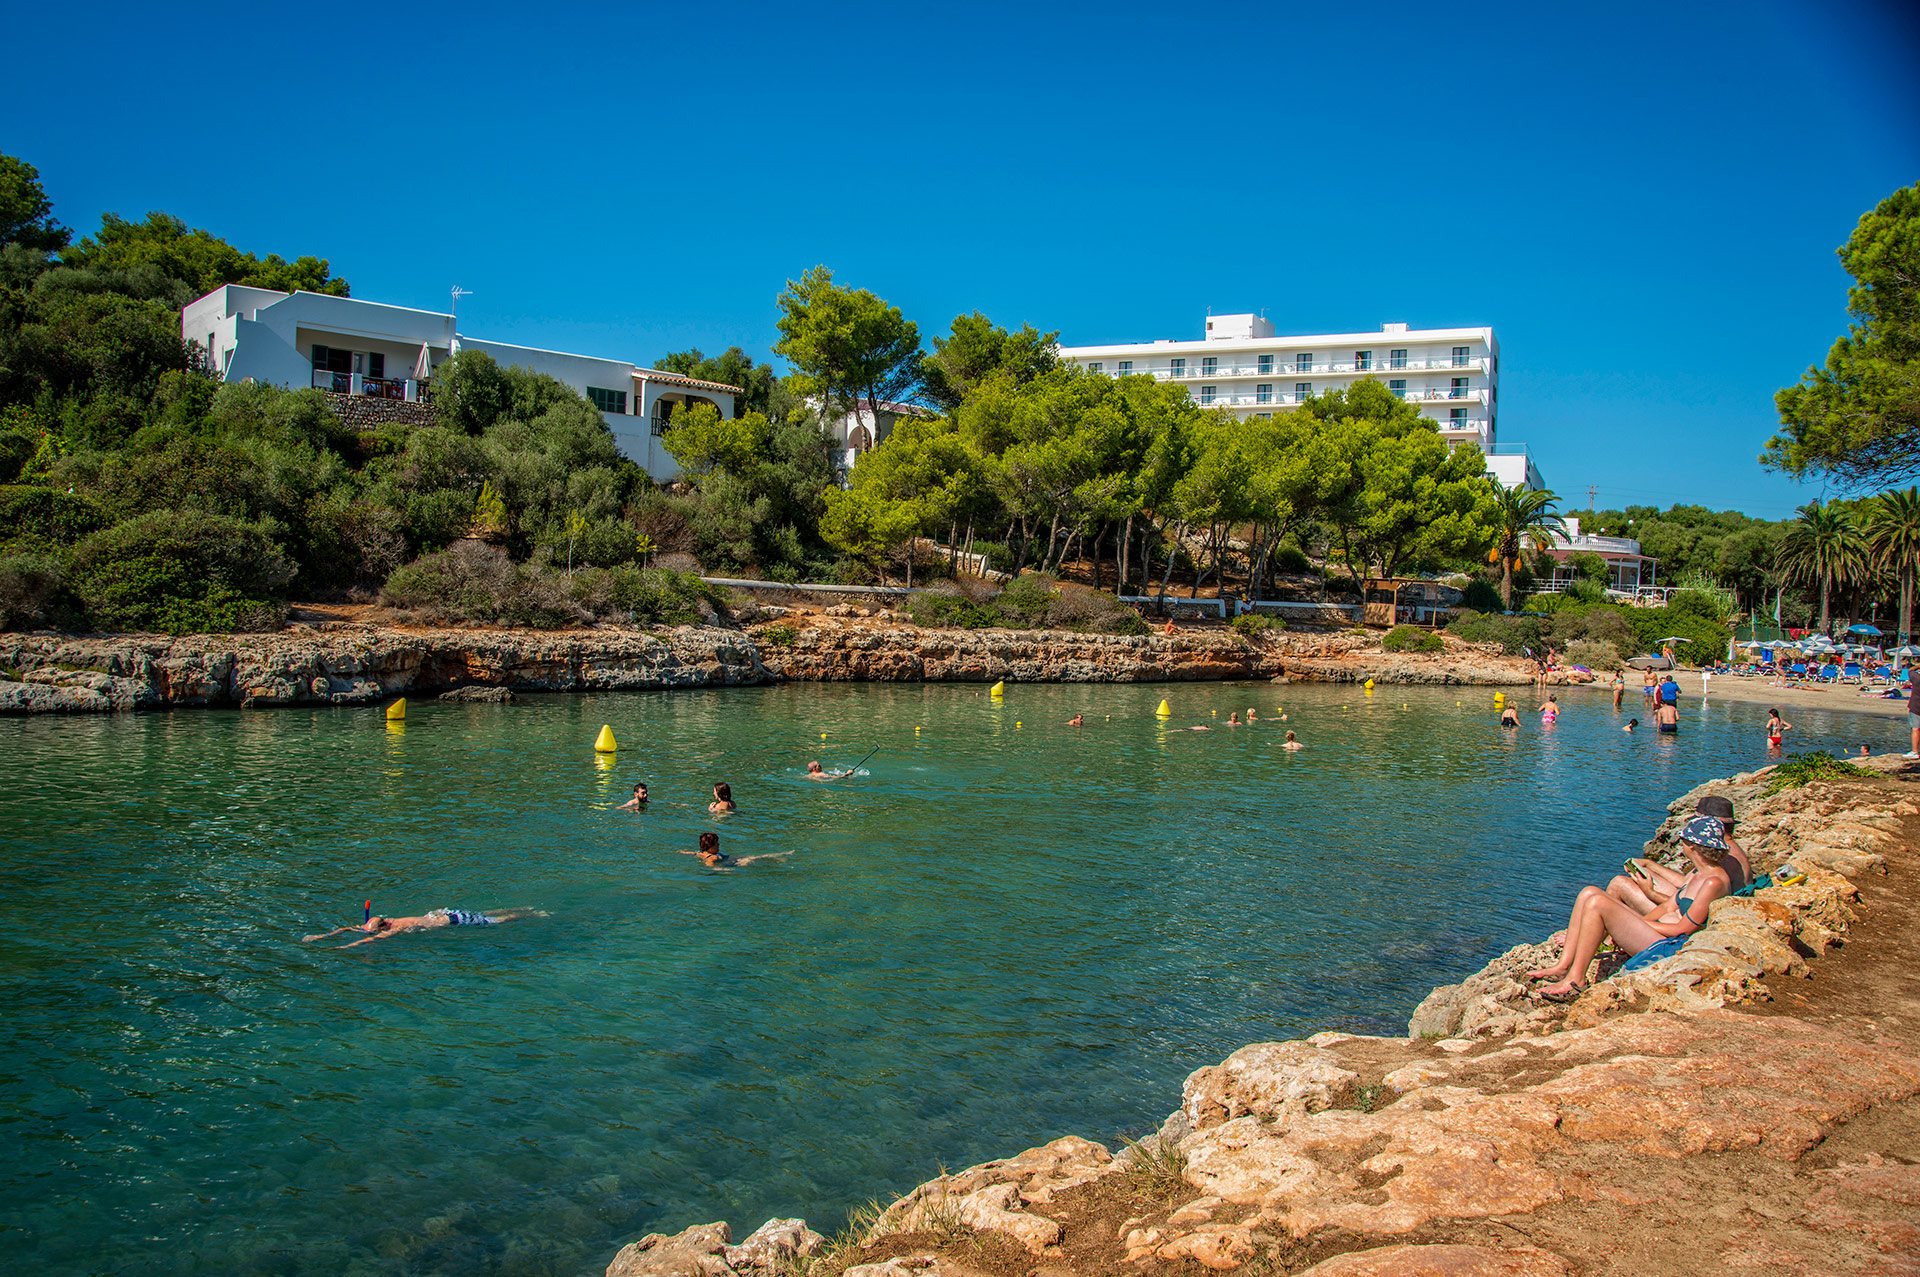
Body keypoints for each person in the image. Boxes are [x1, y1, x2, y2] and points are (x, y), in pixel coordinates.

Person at [1529, 815, 1734, 1001]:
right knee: (1588, 893)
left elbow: (1683, 929)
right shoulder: (1697, 874)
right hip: (1661, 933)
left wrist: (1635, 923)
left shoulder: (1713, 882)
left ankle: (1576, 980)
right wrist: (1632, 921)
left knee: (1597, 903)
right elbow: (1666, 907)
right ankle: (1563, 966)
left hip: (1671, 946)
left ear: (1692, 845)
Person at [1611, 797, 1749, 911]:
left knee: (1619, 884)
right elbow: (1686, 883)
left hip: (1687, 915)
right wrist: (1650, 864)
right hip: (1687, 906)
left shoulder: (1725, 858)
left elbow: (1687, 906)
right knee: (1643, 872)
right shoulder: (1726, 849)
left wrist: (1650, 893)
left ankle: (1605, 939)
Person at [305, 907, 541, 947]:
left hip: (452, 921)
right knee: (484, 913)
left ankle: (529, 914)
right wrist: (321, 936)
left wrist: (345, 949)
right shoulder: (381, 922)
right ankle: (524, 907)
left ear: (384, 925)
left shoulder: (394, 928)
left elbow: (371, 940)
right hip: (444, 912)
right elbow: (349, 929)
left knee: (493, 921)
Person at [681, 830, 788, 869]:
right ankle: (777, 857)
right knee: (749, 859)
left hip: (728, 859)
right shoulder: (712, 858)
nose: (719, 845)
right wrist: (728, 870)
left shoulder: (702, 853)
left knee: (750, 858)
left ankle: (777, 857)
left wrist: (684, 852)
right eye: (716, 844)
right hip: (730, 863)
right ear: (710, 846)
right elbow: (712, 867)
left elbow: (694, 853)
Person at [1906, 672, 1920, 759]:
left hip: (1916, 707)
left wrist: (1918, 666)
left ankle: (1915, 751)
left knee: (1915, 729)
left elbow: (1910, 670)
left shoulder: (1917, 679)